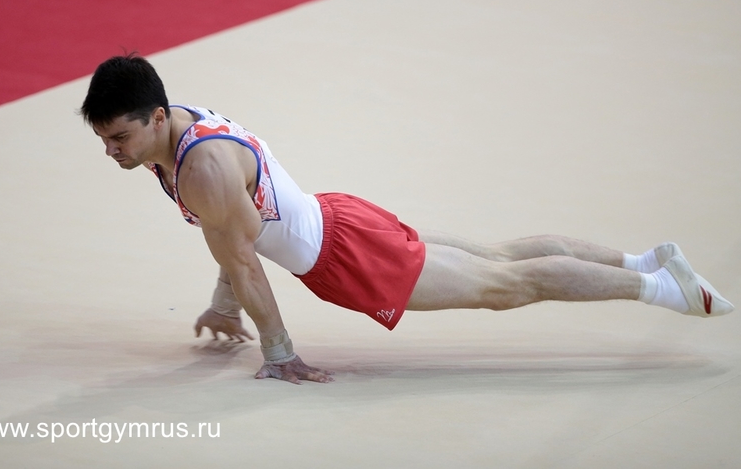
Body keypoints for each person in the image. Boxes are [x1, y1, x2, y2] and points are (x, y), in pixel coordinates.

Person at [79, 54, 734, 385]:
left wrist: (279, 352)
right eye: (104, 140)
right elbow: (236, 235)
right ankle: (644, 262)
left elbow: (241, 254)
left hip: (346, 257)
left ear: (156, 117)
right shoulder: (179, 128)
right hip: (337, 217)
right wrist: (225, 305)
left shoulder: (201, 169)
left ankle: (662, 287)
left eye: (120, 138)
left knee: (507, 286)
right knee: (500, 256)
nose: (112, 152)